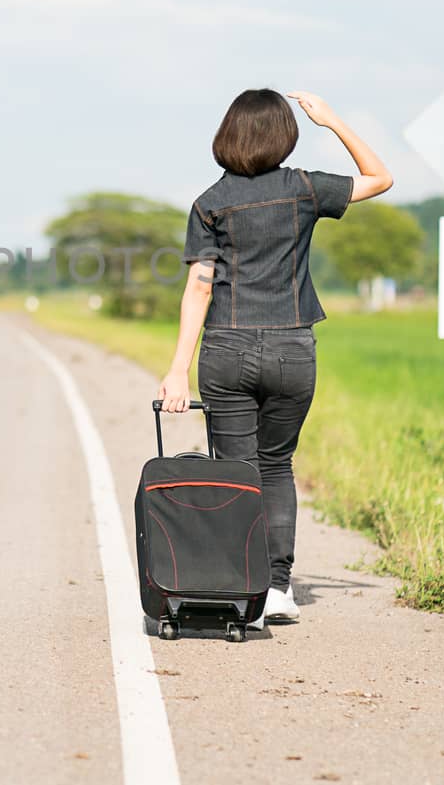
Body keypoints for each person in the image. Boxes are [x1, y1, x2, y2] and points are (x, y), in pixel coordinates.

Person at [156, 88, 393, 624]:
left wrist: (176, 371)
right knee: (277, 466)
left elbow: (200, 287)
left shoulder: (208, 203)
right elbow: (381, 178)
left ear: (227, 136)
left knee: (237, 471)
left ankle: (248, 590)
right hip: (291, 348)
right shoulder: (305, 189)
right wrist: (332, 120)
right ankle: (279, 588)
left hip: (226, 350)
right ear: (285, 135)